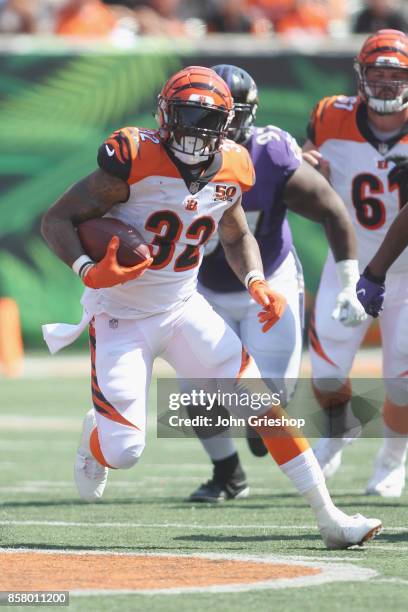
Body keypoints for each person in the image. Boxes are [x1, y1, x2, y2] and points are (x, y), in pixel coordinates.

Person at [41, 65, 381, 549]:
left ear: (227, 123)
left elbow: (236, 231)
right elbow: (58, 219)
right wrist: (86, 269)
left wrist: (256, 280)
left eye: (208, 120)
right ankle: (95, 439)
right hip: (120, 314)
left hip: (183, 306)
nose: (196, 131)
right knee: (126, 451)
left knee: (263, 405)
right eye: (186, 116)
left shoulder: (234, 165)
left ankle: (330, 518)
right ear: (164, 114)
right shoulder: (134, 158)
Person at [188, 64, 368, 504]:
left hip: (266, 284)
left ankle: (290, 423)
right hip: (204, 290)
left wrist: (349, 281)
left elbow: (332, 210)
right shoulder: (171, 155)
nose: (220, 126)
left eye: (230, 115)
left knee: (265, 409)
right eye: (210, 114)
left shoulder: (271, 153)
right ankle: (227, 474)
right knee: (194, 392)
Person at [303, 29, 408, 498]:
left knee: (404, 381)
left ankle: (391, 458)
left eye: (397, 75)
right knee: (325, 373)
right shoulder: (330, 116)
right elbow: (310, 164)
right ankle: (338, 428)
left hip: (406, 271)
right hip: (348, 262)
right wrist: (308, 166)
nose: (386, 84)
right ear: (360, 76)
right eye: (377, 73)